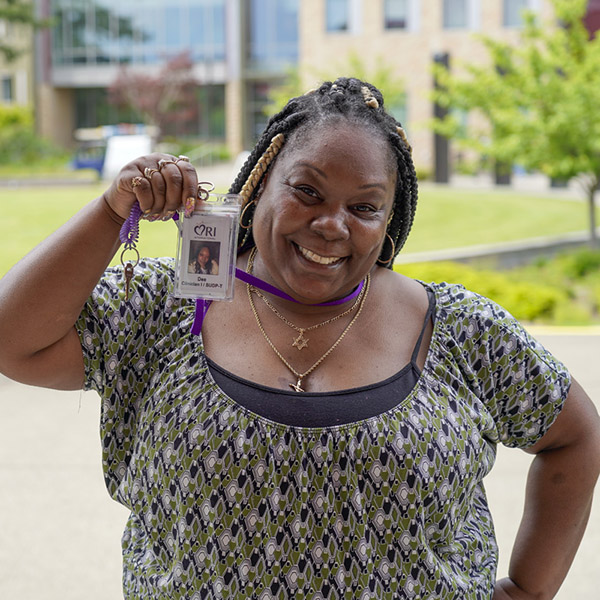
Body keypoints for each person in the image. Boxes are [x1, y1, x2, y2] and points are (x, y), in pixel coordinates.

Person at [0, 77, 599, 600]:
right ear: (261, 181)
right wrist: (113, 210)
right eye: (307, 191)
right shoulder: (165, 309)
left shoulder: (460, 332)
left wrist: (529, 587)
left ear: (390, 218)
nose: (332, 225)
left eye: (365, 207)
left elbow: (576, 433)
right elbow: (14, 341)